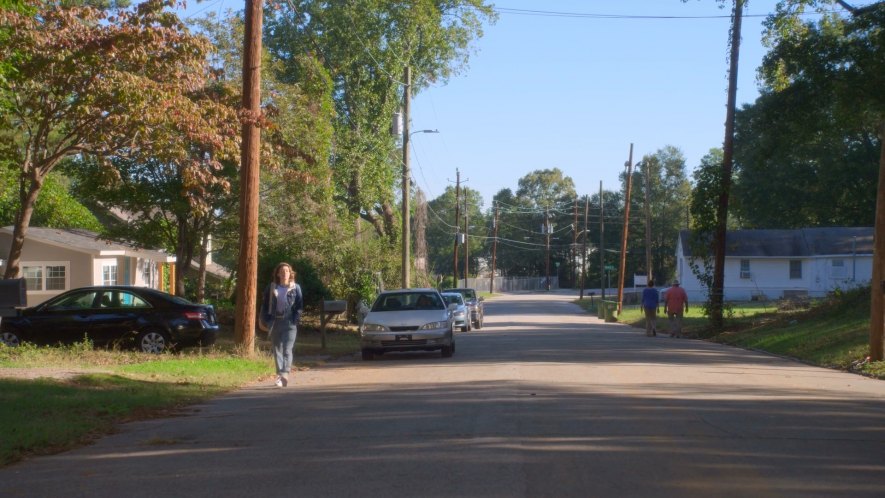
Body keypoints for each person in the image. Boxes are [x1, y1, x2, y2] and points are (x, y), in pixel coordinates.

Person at [260, 263, 304, 387]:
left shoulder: (296, 288)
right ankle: (280, 375)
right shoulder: (272, 287)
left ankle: (285, 374)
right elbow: (264, 305)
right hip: (275, 321)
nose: (285, 273)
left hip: (290, 322)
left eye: (287, 271)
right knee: (277, 349)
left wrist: (295, 319)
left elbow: (299, 306)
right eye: (282, 271)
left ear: (290, 274)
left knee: (287, 349)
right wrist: (266, 320)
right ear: (278, 274)